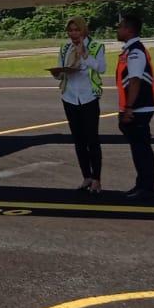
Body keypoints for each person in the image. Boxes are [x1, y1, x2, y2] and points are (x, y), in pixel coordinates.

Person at [50, 16, 106, 193]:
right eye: (70, 30)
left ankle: (97, 179)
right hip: (70, 97)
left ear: (84, 30)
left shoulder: (96, 46)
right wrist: (58, 73)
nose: (73, 34)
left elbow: (101, 68)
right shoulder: (65, 47)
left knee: (92, 140)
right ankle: (86, 177)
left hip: (88, 97)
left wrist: (85, 55)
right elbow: (61, 69)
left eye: (76, 30)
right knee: (79, 141)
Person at [115, 12, 154, 199]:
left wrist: (129, 108)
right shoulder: (131, 50)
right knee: (140, 149)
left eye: (121, 26)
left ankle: (145, 187)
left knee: (141, 150)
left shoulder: (135, 52)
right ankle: (143, 185)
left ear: (129, 30)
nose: (118, 29)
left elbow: (135, 81)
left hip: (138, 108)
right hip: (139, 107)